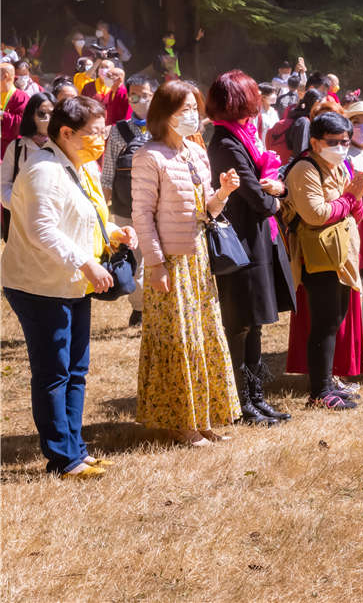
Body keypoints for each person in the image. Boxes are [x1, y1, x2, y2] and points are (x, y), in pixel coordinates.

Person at [2, 96, 137, 478]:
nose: (102, 138)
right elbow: (41, 229)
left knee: (76, 369)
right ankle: (62, 458)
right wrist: (86, 262)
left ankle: (76, 450)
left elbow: (87, 216)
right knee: (54, 372)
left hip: (72, 283)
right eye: (94, 132)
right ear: (66, 133)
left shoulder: (81, 165)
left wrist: (114, 232)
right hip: (40, 285)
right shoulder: (42, 170)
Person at [132, 81, 243, 445]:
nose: (193, 115)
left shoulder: (195, 151)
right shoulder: (149, 156)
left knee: (203, 337)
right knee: (177, 339)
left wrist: (223, 192)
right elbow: (142, 215)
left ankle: (203, 418)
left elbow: (206, 209)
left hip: (198, 258)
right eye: (185, 110)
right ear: (165, 115)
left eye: (195, 108)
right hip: (170, 261)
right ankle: (179, 421)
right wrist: (156, 263)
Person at [206, 71, 295, 426]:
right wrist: (276, 201)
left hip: (256, 240)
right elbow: (255, 196)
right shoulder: (226, 142)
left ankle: (257, 397)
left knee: (255, 322)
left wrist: (277, 189)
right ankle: (242, 402)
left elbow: (265, 185)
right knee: (240, 324)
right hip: (240, 244)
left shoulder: (245, 136)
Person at [282, 110, 363, 409]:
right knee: (324, 323)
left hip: (339, 256)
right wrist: (350, 198)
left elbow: (349, 207)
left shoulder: (337, 166)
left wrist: (356, 199)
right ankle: (319, 392)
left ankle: (327, 384)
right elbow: (316, 214)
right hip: (317, 257)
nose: (341, 147)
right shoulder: (304, 169)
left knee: (334, 321)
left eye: (345, 141)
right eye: (333, 141)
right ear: (315, 142)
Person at [101, 75, 154, 325]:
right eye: (134, 94)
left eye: (145, 95)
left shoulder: (163, 127)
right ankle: (140, 307)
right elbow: (108, 169)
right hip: (125, 205)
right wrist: (103, 205)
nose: (139, 99)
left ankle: (153, 304)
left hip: (157, 204)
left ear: (153, 96)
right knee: (133, 257)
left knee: (156, 255)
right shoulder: (118, 130)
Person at [2, 93, 55, 241]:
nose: (48, 118)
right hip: (21, 222)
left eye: (52, 114)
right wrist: (19, 207)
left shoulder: (63, 147)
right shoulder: (16, 147)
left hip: (54, 221)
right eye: (42, 114)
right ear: (31, 116)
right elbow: (4, 186)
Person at [1, 61, 31, 158]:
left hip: (10, 150)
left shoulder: (21, 97)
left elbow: (22, 123)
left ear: (5, 76)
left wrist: (2, 115)